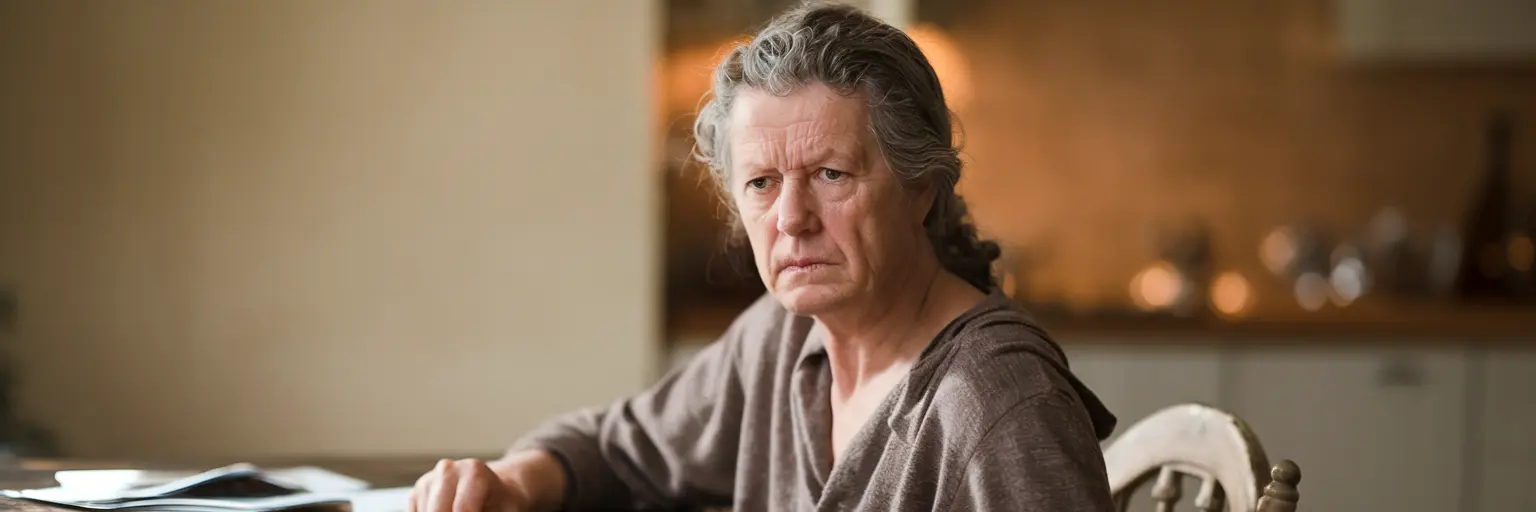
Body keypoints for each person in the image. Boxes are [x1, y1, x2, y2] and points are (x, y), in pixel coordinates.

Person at [408, 3, 1117, 511]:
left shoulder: (998, 404)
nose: (792, 219)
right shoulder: (781, 341)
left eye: (833, 175)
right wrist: (509, 482)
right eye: (761, 183)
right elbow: (617, 448)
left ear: (920, 190)